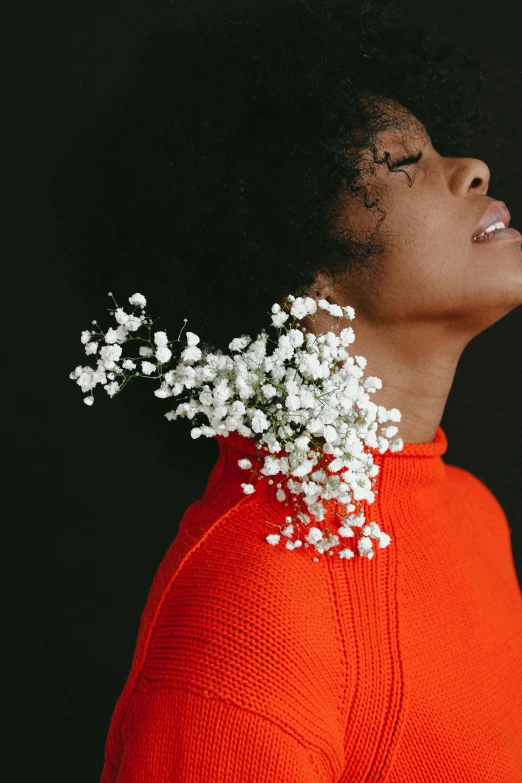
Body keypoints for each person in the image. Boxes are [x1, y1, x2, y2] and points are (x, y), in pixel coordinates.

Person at [93, 1, 522, 780]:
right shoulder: (246, 614)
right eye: (401, 162)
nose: (474, 169)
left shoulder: (475, 516)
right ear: (298, 260)